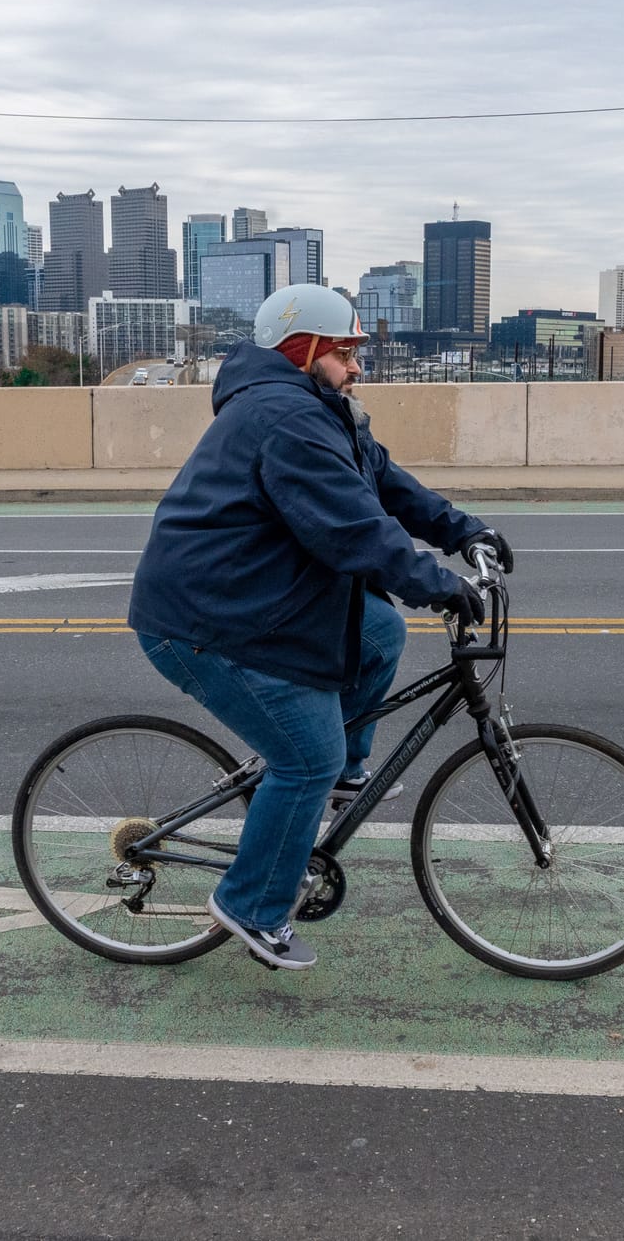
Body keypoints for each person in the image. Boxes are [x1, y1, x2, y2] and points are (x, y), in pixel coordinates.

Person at [128, 284, 512, 970]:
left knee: (378, 633)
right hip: (204, 617)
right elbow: (351, 529)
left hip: (258, 596)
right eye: (346, 352)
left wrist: (465, 531)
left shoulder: (324, 411)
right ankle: (249, 903)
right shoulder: (286, 418)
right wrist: (440, 585)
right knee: (308, 755)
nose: (358, 366)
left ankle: (340, 771)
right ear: (304, 350)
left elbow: (385, 485)